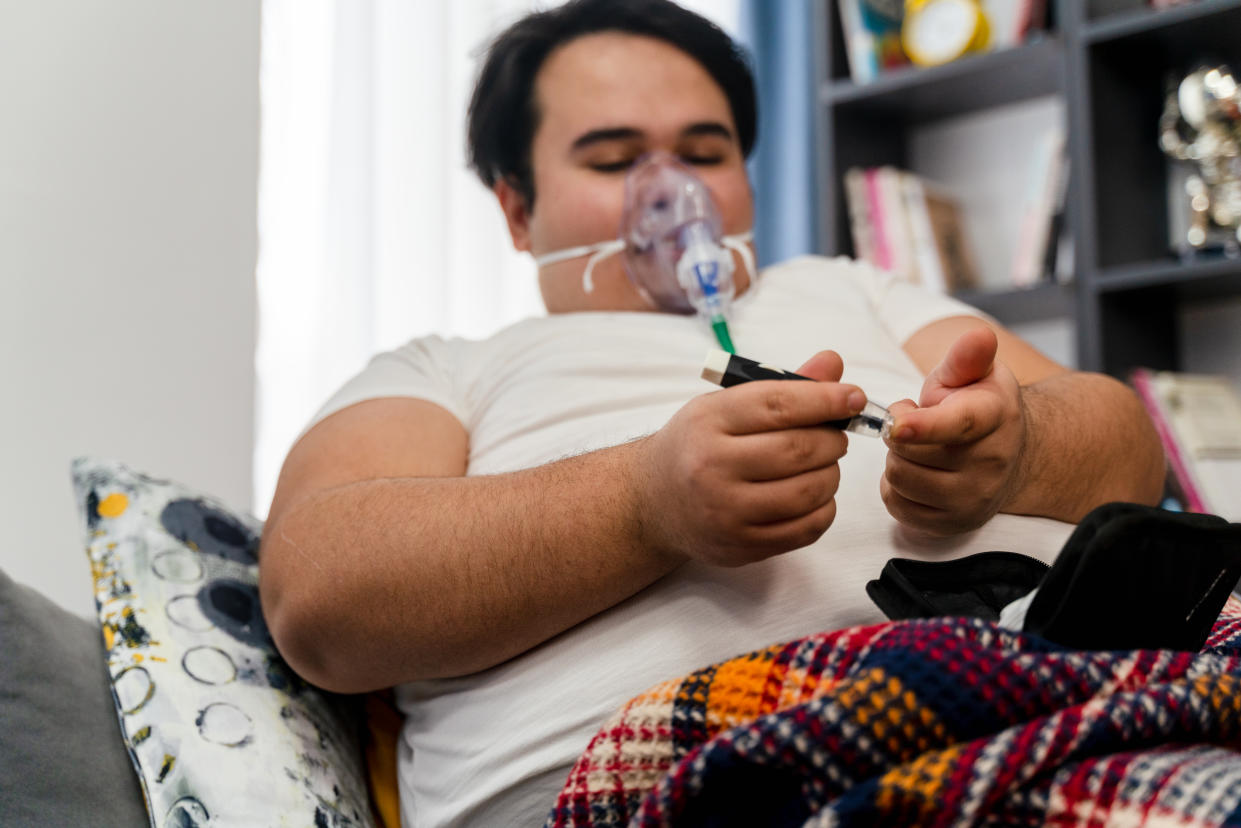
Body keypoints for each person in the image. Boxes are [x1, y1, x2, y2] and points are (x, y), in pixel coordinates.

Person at [258, 1, 1165, 824]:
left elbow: (1127, 448)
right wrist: (641, 503)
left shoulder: (846, 287)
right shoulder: (446, 371)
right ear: (516, 210)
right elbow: (319, 594)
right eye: (612, 160)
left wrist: (1019, 450)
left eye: (704, 154)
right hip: (703, 772)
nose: (669, 194)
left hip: (1065, 693)